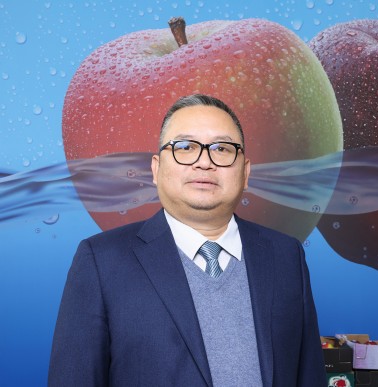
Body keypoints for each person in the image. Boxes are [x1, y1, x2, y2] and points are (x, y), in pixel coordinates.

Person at [48, 94, 326, 386]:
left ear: (245, 173)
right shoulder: (102, 261)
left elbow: (308, 375)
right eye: (185, 147)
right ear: (156, 169)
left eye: (222, 148)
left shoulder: (286, 255)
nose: (204, 162)